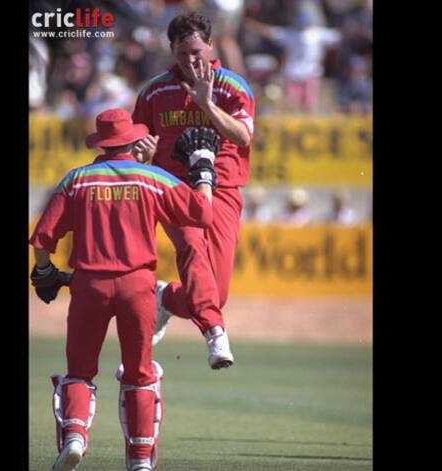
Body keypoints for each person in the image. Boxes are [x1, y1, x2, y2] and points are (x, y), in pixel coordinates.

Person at [29, 108, 219, 471]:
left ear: (101, 143)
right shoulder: (153, 177)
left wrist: (44, 271)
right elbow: (203, 215)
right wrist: (204, 175)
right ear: (133, 141)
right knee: (139, 372)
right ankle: (142, 460)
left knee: (80, 371)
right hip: (138, 286)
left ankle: (74, 436)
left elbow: (42, 239)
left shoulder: (78, 179)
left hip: (89, 286)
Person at [132, 11, 256, 369]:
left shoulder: (232, 87)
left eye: (197, 52)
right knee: (189, 245)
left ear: (212, 46)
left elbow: (243, 135)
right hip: (174, 188)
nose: (191, 60)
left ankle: (165, 297)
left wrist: (206, 104)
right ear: (171, 50)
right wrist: (143, 152)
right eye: (183, 53)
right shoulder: (155, 90)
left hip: (224, 190)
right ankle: (215, 333)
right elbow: (138, 141)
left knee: (215, 293)